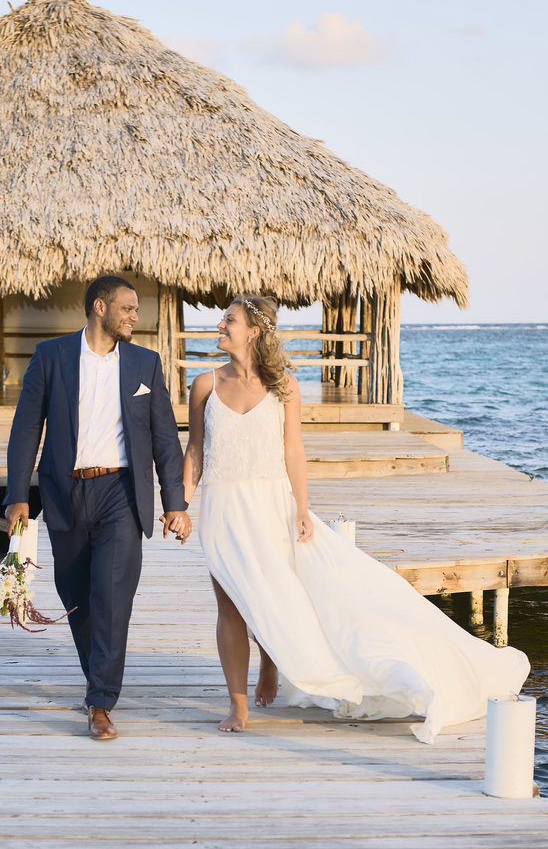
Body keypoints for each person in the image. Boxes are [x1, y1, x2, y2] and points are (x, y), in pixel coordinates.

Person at [183, 295, 530, 741]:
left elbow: (293, 451)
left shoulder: (285, 386)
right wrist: (180, 504)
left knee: (279, 593)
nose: (219, 324)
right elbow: (195, 451)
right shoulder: (205, 385)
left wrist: (304, 510)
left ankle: (271, 663)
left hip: (272, 505)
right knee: (231, 602)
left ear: (253, 331)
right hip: (222, 511)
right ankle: (238, 703)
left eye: (228, 319)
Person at [4, 275, 191, 741]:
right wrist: (17, 496)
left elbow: (166, 438)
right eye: (128, 308)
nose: (135, 316)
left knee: (111, 598)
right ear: (100, 308)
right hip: (65, 492)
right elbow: (26, 428)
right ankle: (98, 682)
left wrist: (175, 504)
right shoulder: (52, 357)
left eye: (136, 308)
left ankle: (101, 702)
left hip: (121, 493)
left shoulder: (145, 364)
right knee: (77, 599)